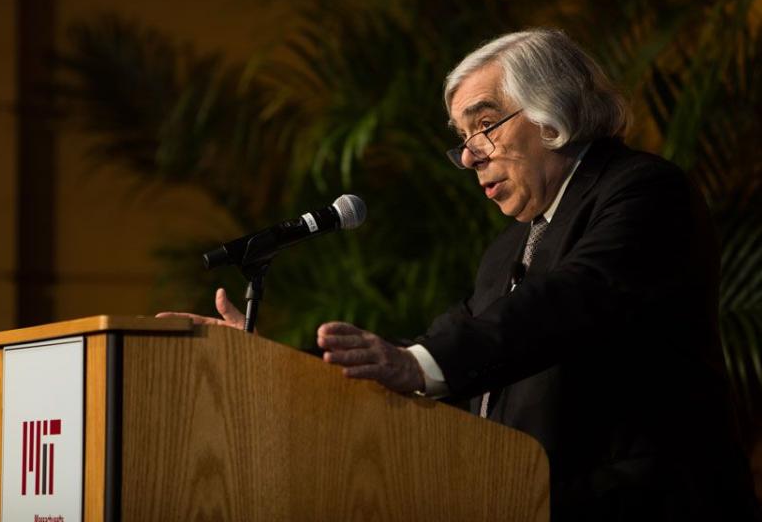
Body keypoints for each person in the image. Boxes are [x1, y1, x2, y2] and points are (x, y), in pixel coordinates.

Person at [159, 29, 757, 520]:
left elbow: (572, 298)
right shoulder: (509, 248)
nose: (470, 155)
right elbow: (437, 349)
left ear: (553, 114)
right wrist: (272, 363)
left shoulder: (643, 191)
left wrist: (418, 363)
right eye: (464, 138)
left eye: (485, 124)